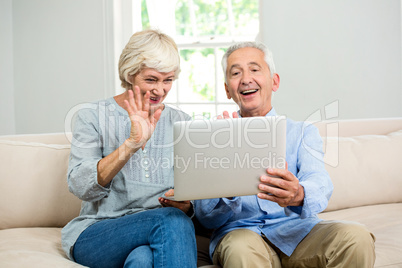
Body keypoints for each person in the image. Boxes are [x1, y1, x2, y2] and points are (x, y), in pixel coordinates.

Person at [194, 42, 376, 268]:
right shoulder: (213, 138)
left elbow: (319, 182)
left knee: (355, 237)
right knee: (241, 248)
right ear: (227, 90)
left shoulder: (302, 132)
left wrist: (298, 193)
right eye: (236, 73)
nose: (246, 79)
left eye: (254, 69)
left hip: (298, 232)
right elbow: (205, 217)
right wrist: (229, 178)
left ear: (274, 81)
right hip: (240, 235)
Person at [61, 29, 197, 268]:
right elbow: (80, 186)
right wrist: (131, 145)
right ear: (130, 74)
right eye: (151, 79)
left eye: (168, 80)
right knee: (172, 222)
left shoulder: (182, 122)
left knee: (142, 260)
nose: (160, 90)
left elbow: (194, 192)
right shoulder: (92, 116)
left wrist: (187, 206)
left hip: (158, 232)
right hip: (98, 232)